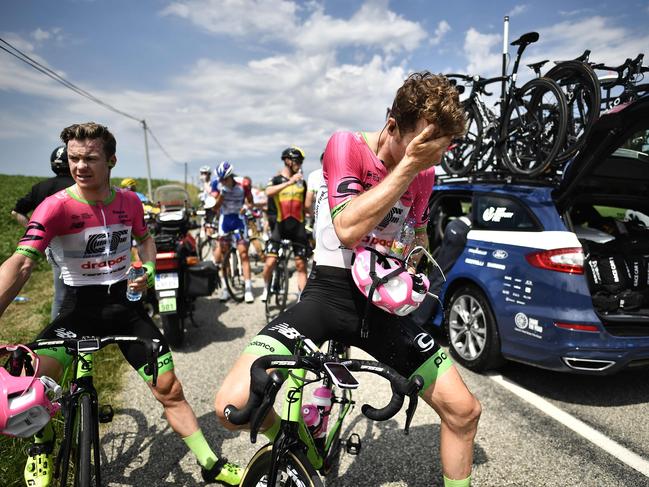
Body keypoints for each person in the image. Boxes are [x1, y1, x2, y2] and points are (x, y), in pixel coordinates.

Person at [215, 72, 480, 487]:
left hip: (380, 305)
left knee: (464, 410)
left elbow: (420, 231)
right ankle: (300, 442)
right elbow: (347, 229)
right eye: (423, 149)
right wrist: (408, 166)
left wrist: (413, 259)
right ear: (392, 125)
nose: (429, 161)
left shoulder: (424, 174)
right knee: (232, 405)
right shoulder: (347, 145)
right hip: (329, 296)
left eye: (437, 153)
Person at [0, 122, 242, 486]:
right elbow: (20, 263)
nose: (80, 166)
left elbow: (145, 241)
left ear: (111, 160)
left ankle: (210, 463)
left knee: (170, 390)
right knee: (29, 385)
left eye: (90, 158)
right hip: (78, 311)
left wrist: (144, 268)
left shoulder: (129, 202)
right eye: (74, 158)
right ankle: (41, 443)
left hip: (126, 311)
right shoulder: (54, 207)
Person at [11, 146, 75, 319]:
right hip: (84, 244)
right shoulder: (81, 186)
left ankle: (55, 337)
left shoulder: (40, 187)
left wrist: (37, 232)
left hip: (53, 247)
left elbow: (16, 211)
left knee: (60, 294)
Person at [260, 147, 310, 301]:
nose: (300, 165)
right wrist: (289, 183)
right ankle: (266, 286)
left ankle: (303, 300)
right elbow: (268, 192)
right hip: (280, 227)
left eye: (301, 162)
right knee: (269, 263)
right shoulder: (276, 180)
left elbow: (306, 206)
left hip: (298, 228)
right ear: (288, 161)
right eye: (297, 161)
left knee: (301, 266)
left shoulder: (302, 182)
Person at [210, 161, 255, 303]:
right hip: (225, 222)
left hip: (239, 220)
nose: (222, 181)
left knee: (243, 254)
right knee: (224, 257)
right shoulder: (216, 184)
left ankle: (248, 288)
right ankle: (225, 288)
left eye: (225, 179)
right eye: (221, 179)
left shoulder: (243, 184)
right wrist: (221, 196)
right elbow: (214, 208)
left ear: (231, 176)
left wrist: (246, 208)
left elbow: (250, 202)